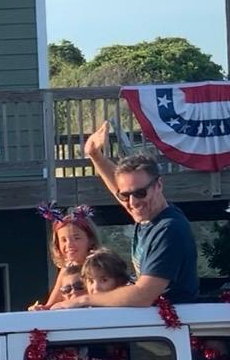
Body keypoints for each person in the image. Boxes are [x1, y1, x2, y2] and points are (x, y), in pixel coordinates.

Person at [52, 122, 197, 309]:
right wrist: (95, 156)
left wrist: (82, 300)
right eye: (125, 196)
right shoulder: (149, 218)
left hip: (169, 329)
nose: (133, 202)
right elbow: (124, 191)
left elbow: (143, 295)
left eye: (140, 193)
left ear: (159, 185)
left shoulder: (169, 229)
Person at [32, 207, 100, 309]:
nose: (69, 245)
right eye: (63, 240)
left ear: (90, 239)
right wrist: (40, 308)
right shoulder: (66, 269)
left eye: (76, 238)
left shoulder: (99, 265)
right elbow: (51, 304)